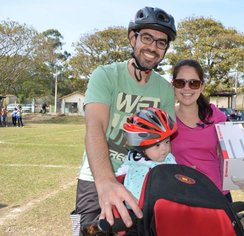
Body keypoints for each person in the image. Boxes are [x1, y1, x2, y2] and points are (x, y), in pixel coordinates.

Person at [71, 6, 177, 232]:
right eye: (147, 38)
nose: (153, 47)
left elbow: (167, 140)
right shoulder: (106, 75)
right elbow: (95, 126)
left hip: (143, 178)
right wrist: (106, 181)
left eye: (161, 42)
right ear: (132, 38)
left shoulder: (165, 90)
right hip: (97, 176)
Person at [169, 59, 232, 201]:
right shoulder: (166, 117)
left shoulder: (215, 114)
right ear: (173, 85)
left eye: (194, 83)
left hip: (217, 195)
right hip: (182, 197)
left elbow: (235, 140)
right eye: (180, 82)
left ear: (202, 86)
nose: (187, 88)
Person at [115, 108, 177, 200]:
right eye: (157, 145)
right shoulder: (134, 160)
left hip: (160, 205)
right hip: (133, 204)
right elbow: (118, 176)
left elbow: (177, 178)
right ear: (142, 149)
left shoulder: (169, 160)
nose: (164, 148)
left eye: (167, 142)